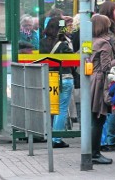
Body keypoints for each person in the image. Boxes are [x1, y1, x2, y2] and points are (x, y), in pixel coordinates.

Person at [90, 14, 115, 164]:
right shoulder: (104, 44)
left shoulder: (90, 41)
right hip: (100, 83)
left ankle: (92, 152)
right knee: (99, 118)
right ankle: (95, 153)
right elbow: (106, 67)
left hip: (91, 81)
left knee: (94, 119)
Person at [39, 17, 74, 148]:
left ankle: (48, 133)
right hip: (64, 78)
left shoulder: (42, 43)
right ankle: (56, 138)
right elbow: (73, 59)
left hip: (49, 78)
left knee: (50, 108)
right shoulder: (63, 45)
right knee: (61, 109)